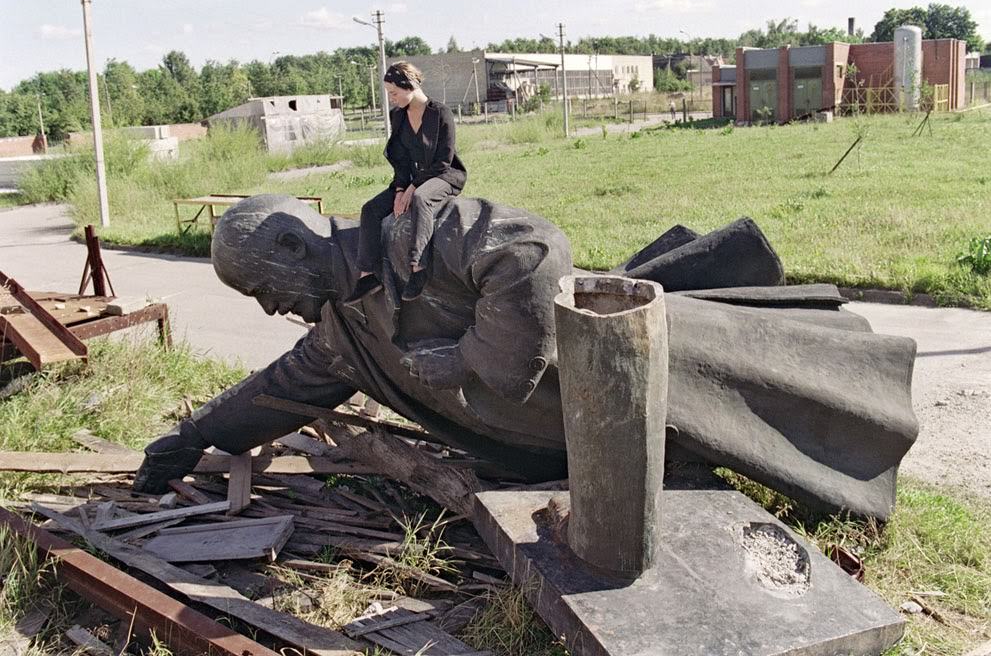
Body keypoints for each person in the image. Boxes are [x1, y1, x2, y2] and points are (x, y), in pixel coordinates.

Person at [133, 194, 919, 521]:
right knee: (692, 464)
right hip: (579, 433)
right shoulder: (345, 324)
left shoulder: (415, 230)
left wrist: (475, 358)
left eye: (265, 289)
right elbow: (287, 388)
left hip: (637, 370)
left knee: (785, 413)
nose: (271, 308)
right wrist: (198, 435)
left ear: (293, 244)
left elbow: (533, 250)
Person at [347, 62, 467, 304]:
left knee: (421, 199)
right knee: (370, 209)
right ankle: (368, 275)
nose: (391, 99)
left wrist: (412, 190)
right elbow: (400, 158)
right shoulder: (398, 115)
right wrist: (401, 188)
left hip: (444, 175)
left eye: (394, 93)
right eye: (389, 94)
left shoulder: (440, 113)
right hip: (411, 178)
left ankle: (417, 269)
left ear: (409, 86)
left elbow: (443, 161)